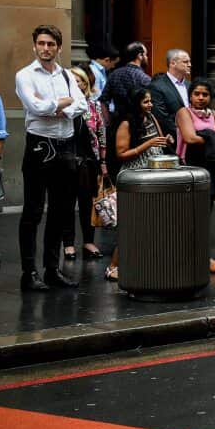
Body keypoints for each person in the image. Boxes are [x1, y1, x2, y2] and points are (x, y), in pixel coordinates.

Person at [15, 24, 87, 290]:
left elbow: (82, 103)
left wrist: (60, 108)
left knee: (61, 211)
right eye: (42, 44)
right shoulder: (25, 75)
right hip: (39, 147)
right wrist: (61, 103)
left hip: (66, 146)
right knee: (33, 211)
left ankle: (52, 269)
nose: (46, 49)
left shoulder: (66, 75)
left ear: (59, 47)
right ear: (34, 46)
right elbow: (34, 107)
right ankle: (28, 273)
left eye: (51, 44)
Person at [109, 86, 173, 279]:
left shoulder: (152, 117)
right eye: (146, 101)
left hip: (155, 173)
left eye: (150, 101)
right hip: (134, 176)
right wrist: (148, 144)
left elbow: (160, 140)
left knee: (153, 224)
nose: (150, 104)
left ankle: (145, 263)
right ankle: (114, 266)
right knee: (132, 224)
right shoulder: (127, 124)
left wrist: (166, 140)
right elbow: (121, 153)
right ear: (136, 103)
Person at [175, 78, 215, 274]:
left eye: (205, 94)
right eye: (196, 94)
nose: (200, 98)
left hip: (211, 168)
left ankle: (200, 256)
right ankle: (184, 256)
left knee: (204, 213)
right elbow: (190, 137)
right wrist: (212, 136)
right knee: (189, 214)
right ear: (190, 95)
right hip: (190, 168)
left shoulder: (212, 113)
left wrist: (211, 135)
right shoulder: (184, 112)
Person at [64, 66, 106, 262]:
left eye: (79, 80)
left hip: (89, 160)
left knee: (87, 202)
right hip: (66, 159)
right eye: (72, 80)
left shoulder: (94, 106)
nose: (77, 84)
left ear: (85, 83)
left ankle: (88, 241)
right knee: (66, 203)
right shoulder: (63, 105)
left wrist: (103, 161)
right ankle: (68, 244)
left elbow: (100, 134)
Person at [148, 48, 191, 140]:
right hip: (172, 138)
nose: (189, 65)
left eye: (189, 62)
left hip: (193, 135)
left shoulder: (190, 85)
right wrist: (182, 134)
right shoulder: (157, 86)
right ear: (172, 63)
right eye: (185, 62)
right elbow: (161, 117)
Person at [101, 41, 149, 115]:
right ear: (140, 56)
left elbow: (103, 100)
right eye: (146, 54)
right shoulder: (144, 78)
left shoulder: (114, 74)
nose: (147, 57)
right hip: (138, 123)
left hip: (117, 121)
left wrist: (107, 122)